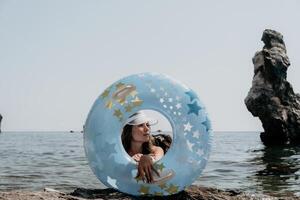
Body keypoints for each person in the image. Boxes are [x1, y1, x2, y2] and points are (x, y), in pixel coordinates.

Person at [122, 111, 164, 183]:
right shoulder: (121, 153)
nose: (147, 129)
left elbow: (157, 160)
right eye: (141, 125)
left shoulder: (156, 150)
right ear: (129, 130)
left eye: (148, 125)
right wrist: (130, 162)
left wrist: (147, 157)